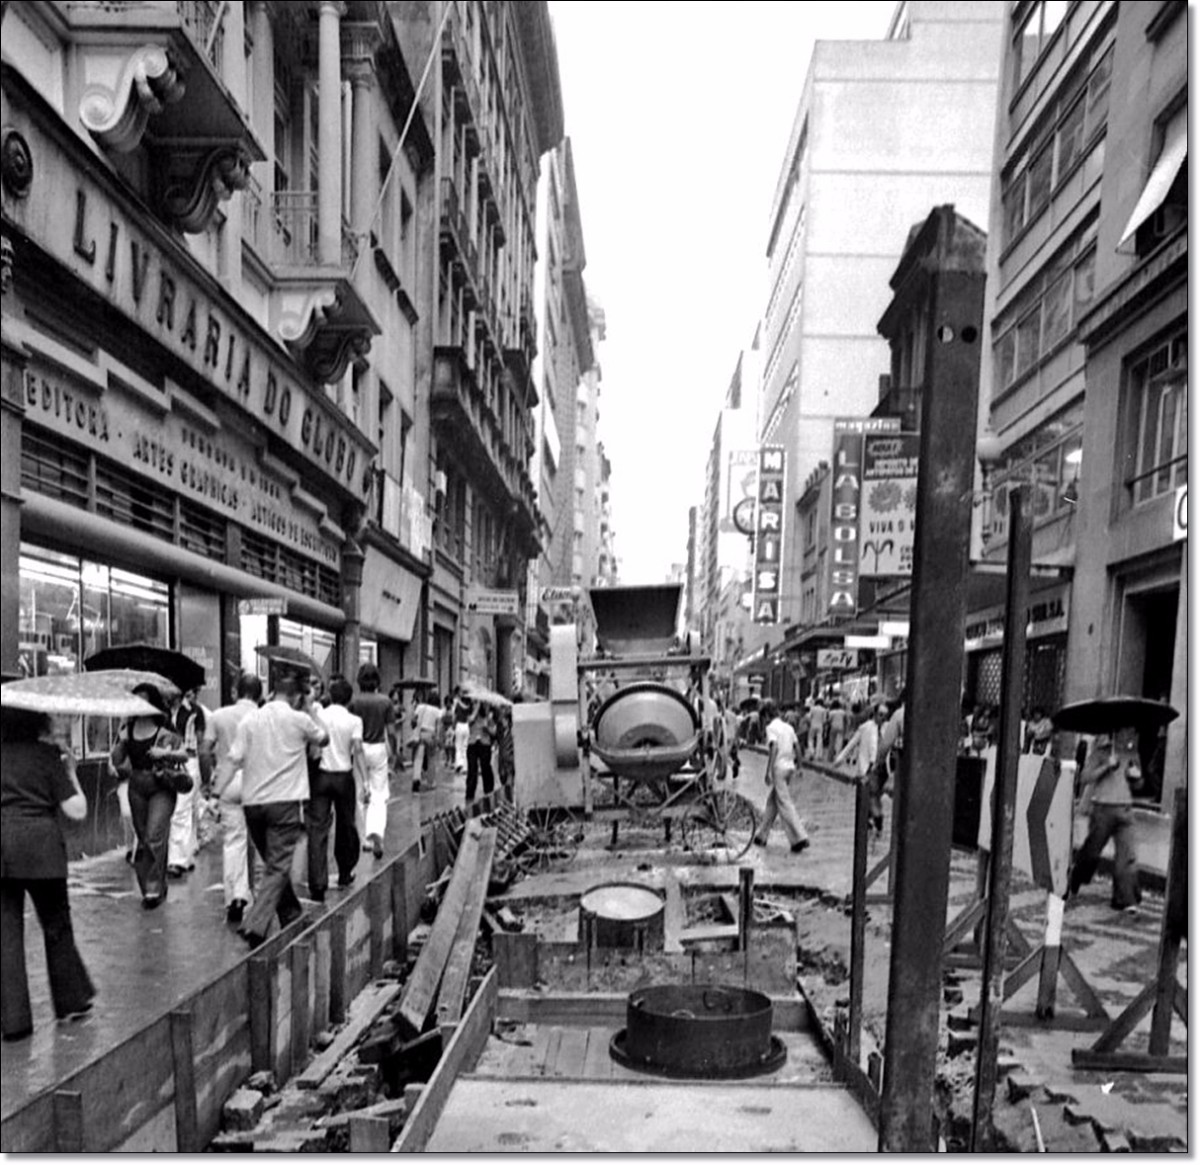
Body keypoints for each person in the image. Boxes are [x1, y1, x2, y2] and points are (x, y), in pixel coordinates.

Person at [1, 708, 95, 1041]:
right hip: (42, 851)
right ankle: (71, 1000)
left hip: (3, 850)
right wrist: (71, 772)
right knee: (56, 925)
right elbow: (77, 811)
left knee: (6, 935)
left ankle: (13, 1022)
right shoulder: (47, 756)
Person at [220, 673, 328, 949]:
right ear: (295, 697)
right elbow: (323, 739)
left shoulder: (250, 720)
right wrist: (310, 710)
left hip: (253, 804)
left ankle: (291, 915)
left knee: (272, 866)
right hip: (285, 804)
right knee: (278, 866)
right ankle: (255, 924)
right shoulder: (299, 719)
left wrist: (215, 793)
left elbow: (233, 760)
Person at [110, 684, 189, 908]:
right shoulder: (128, 728)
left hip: (161, 786)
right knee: (144, 838)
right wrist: (122, 740)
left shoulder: (164, 730)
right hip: (136, 786)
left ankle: (153, 889)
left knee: (155, 834)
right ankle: (151, 885)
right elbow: (116, 761)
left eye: (144, 700)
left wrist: (164, 752)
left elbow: (184, 754)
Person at [201, 672, 262, 925]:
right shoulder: (262, 717)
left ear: (236, 692)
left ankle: (235, 896)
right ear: (259, 695)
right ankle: (251, 891)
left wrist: (208, 782)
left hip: (226, 782)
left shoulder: (218, 716)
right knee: (256, 840)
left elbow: (204, 750)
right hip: (257, 781)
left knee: (233, 841)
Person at [1067, 726, 1143, 912]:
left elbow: (1139, 786)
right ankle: (1076, 878)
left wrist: (1136, 777)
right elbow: (1085, 777)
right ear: (1117, 732)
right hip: (1103, 809)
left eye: (1133, 731)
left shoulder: (1133, 754)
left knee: (1126, 855)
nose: (1131, 735)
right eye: (1127, 730)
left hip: (1125, 809)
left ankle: (1124, 898)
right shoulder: (1101, 752)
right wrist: (1106, 766)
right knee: (1091, 851)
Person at [308, 678, 365, 901]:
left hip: (321, 776)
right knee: (345, 825)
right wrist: (366, 781)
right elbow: (358, 750)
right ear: (349, 698)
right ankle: (344, 872)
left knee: (318, 829)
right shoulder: (354, 720)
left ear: (330, 696)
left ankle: (317, 883)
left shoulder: (319, 715)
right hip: (343, 776)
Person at [349, 664, 395, 860]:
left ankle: (362, 839)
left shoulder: (354, 702)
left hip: (358, 748)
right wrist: (393, 750)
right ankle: (376, 832)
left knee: (359, 792)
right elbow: (391, 732)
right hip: (378, 748)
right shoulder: (386, 702)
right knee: (379, 793)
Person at [752, 700, 809, 853]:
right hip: (790, 767)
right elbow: (797, 747)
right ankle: (761, 836)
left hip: (779, 768)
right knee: (773, 802)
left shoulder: (770, 728)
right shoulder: (789, 727)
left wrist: (768, 770)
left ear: (766, 715)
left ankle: (799, 837)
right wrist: (800, 766)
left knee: (785, 802)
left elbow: (774, 747)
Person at [167, 685, 207, 878]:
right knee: (185, 809)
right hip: (169, 762)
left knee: (182, 809)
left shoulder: (194, 711)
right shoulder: (164, 710)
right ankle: (187, 853)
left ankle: (178, 860)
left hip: (189, 761)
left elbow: (200, 741)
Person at [836, 700, 890, 834]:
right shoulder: (865, 728)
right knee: (871, 795)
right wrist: (841, 758)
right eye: (880, 714)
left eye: (885, 715)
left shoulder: (887, 728)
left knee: (876, 795)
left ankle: (869, 818)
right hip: (869, 767)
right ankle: (878, 820)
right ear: (875, 714)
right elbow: (852, 744)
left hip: (883, 769)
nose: (883, 718)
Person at [465, 699, 496, 804]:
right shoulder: (471, 715)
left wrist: (487, 727)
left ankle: (488, 792)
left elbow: (494, 731)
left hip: (485, 743)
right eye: (474, 703)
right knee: (472, 769)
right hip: (473, 743)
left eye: (477, 703)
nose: (475, 704)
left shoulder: (488, 717)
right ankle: (469, 795)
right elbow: (469, 721)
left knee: (485, 768)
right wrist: (475, 710)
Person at [411, 693, 443, 792]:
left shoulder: (420, 707)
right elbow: (438, 726)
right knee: (431, 759)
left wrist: (414, 728)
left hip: (421, 733)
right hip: (431, 735)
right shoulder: (438, 711)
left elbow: (413, 720)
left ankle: (416, 778)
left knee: (418, 758)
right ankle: (431, 782)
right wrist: (438, 739)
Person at [452, 689, 471, 773]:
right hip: (466, 726)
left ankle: (458, 764)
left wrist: (453, 725)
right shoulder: (469, 705)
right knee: (465, 747)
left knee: (458, 746)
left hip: (459, 725)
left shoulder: (458, 705)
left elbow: (455, 716)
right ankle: (465, 767)